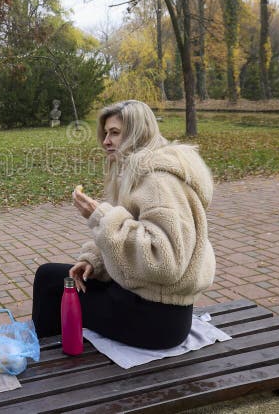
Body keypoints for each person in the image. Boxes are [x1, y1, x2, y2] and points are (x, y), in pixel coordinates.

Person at [31, 100, 215, 349]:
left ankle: (43, 360)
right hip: (147, 301)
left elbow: (164, 261)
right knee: (52, 277)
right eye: (106, 133)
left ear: (137, 134)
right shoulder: (139, 174)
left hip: (155, 320)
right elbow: (132, 224)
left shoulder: (158, 181)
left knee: (50, 285)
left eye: (115, 133)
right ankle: (56, 349)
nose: (106, 141)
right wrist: (94, 261)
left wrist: (100, 216)